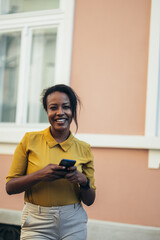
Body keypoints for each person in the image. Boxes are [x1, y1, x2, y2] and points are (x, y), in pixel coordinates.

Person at [6, 84, 96, 240]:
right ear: (47, 111)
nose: (60, 112)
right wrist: (40, 175)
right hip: (36, 222)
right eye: (53, 107)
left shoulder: (84, 149)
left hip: (73, 221)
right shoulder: (29, 140)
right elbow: (10, 187)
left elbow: (90, 200)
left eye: (66, 107)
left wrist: (83, 180)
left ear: (73, 110)